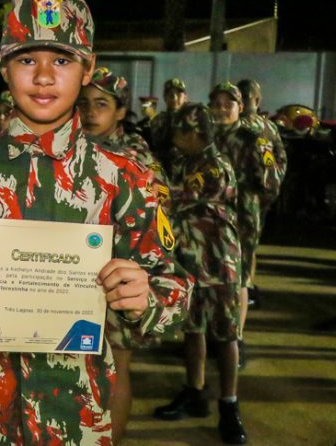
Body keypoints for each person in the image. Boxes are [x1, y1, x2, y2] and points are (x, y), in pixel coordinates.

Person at [0, 0, 191, 444]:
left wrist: (145, 297)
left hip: (74, 417)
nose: (44, 76)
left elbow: (175, 289)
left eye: (62, 61)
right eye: (27, 60)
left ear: (87, 69)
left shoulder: (126, 177)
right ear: (4, 68)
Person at [78, 65, 172, 441]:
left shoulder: (137, 160)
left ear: (120, 111)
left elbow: (160, 233)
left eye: (101, 104)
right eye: (83, 102)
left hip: (118, 277)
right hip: (75, 276)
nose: (90, 112)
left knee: (116, 367)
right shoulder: (76, 149)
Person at [153, 103, 246, 444]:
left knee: (225, 335)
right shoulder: (182, 162)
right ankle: (194, 391)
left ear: (195, 133)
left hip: (219, 265)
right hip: (190, 263)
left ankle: (229, 405)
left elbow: (174, 198)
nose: (175, 137)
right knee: (193, 329)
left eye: (179, 131)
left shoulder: (215, 167)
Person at [209, 81, 281, 367]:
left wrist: (255, 205)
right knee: (212, 274)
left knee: (238, 278)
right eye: (217, 104)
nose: (222, 109)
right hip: (211, 219)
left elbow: (271, 181)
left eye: (229, 104)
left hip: (241, 218)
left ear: (240, 107)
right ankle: (214, 336)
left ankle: (235, 338)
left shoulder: (253, 138)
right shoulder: (206, 135)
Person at [236, 78, 288, 309]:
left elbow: (277, 161)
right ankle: (247, 285)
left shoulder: (256, 128)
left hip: (248, 199)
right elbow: (280, 162)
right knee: (249, 245)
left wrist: (267, 190)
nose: (246, 102)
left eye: (248, 98)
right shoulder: (267, 127)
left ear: (256, 100)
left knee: (246, 245)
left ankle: (245, 287)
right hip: (252, 200)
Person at [150, 77, 188, 175]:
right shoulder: (158, 120)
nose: (174, 98)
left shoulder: (193, 120)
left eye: (178, 94)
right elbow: (158, 143)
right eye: (170, 94)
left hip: (186, 169)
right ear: (165, 98)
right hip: (162, 168)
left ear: (185, 97)